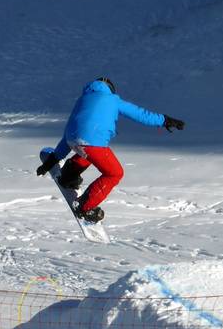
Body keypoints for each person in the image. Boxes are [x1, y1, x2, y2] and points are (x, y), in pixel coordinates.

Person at [36, 77, 185, 222]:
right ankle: (85, 207)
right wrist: (165, 120)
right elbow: (141, 115)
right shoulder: (113, 100)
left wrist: (52, 160)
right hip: (93, 144)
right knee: (115, 173)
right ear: (110, 90)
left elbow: (73, 131)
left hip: (72, 140)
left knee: (88, 152)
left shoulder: (83, 100)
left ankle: (68, 176)